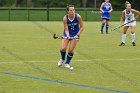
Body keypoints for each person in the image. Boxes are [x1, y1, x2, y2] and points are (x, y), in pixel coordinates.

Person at [57, 4, 84, 69]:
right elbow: (66, 29)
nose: (73, 11)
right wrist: (68, 35)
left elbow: (82, 27)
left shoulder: (78, 17)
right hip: (67, 34)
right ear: (68, 11)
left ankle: (67, 63)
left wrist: (77, 35)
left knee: (71, 50)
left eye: (73, 10)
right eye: (71, 10)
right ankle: (62, 59)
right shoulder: (65, 18)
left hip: (75, 34)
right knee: (63, 48)